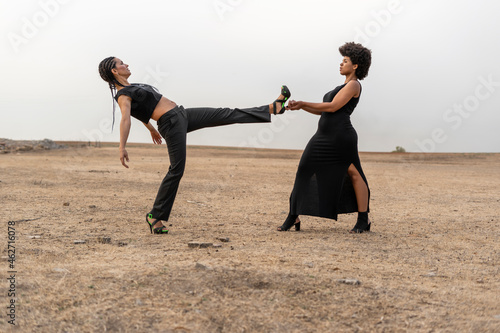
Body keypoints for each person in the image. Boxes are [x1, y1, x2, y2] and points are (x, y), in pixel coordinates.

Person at [98, 56, 290, 234]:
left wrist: (151, 129)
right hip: (171, 124)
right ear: (114, 71)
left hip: (182, 115)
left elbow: (139, 113)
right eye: (121, 63)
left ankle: (272, 108)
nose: (127, 65)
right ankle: (155, 216)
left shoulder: (133, 86)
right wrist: (122, 147)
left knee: (225, 113)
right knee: (176, 170)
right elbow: (125, 118)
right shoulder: (123, 95)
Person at [278, 42, 372, 233]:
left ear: (355, 66)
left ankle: (363, 220)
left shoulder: (354, 85)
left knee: (354, 173)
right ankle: (293, 215)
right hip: (323, 136)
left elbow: (332, 107)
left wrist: (304, 102)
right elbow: (325, 112)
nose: (341, 64)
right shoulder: (340, 86)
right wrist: (302, 106)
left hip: (341, 137)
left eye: (345, 61)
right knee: (304, 169)